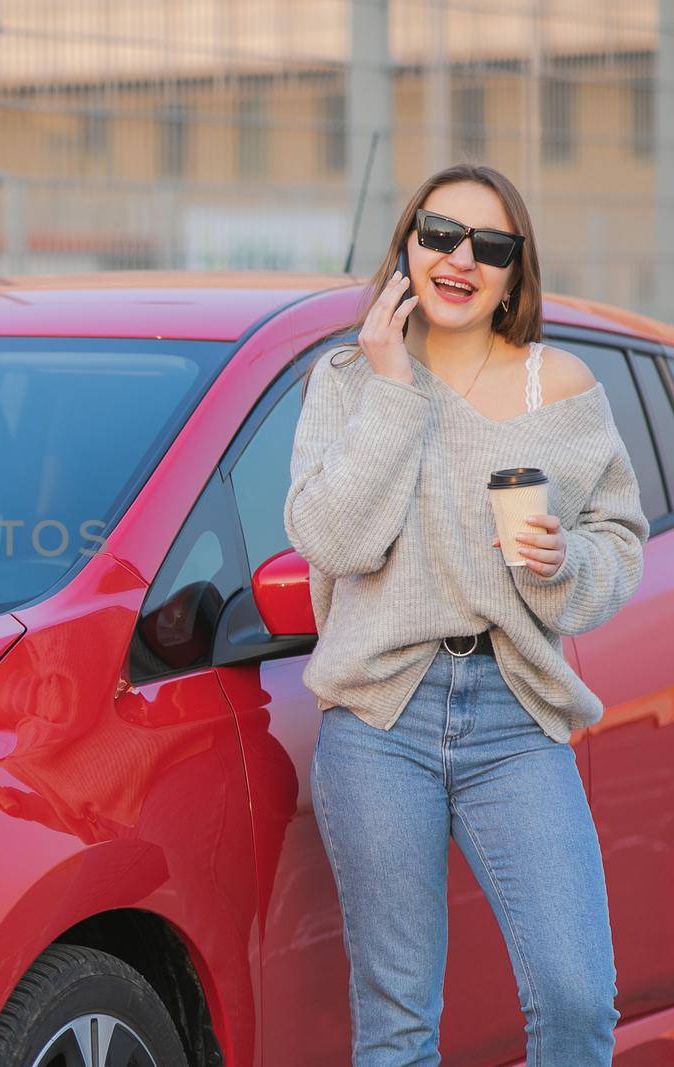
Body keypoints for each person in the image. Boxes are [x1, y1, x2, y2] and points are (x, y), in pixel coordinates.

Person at [283, 162, 648, 1066]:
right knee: (399, 1023)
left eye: (490, 246)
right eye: (441, 233)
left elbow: (621, 540)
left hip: (515, 710)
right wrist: (391, 386)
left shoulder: (554, 387)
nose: (460, 259)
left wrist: (568, 560)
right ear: (408, 240)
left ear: (515, 272)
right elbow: (332, 538)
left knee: (575, 997)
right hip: (378, 715)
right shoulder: (344, 381)